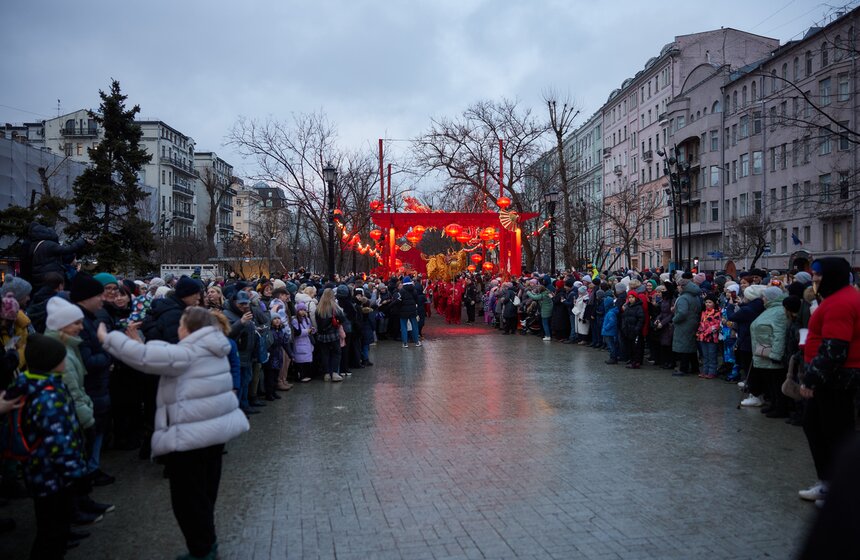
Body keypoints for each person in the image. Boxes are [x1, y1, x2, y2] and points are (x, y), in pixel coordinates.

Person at [98, 307, 249, 560]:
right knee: (204, 494)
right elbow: (158, 356)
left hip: (190, 438)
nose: (178, 328)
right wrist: (140, 342)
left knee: (188, 500)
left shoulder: (189, 352)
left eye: (181, 323)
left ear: (189, 328)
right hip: (213, 436)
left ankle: (201, 551)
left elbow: (146, 357)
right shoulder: (215, 348)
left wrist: (107, 338)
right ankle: (207, 545)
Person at [14, 333, 88, 560]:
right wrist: (76, 471)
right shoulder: (48, 398)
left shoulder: (32, 383)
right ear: (51, 362)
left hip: (40, 471)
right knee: (51, 532)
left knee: (51, 525)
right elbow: (59, 441)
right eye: (62, 357)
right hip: (51, 473)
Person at [798, 257, 860, 506]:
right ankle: (828, 482)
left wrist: (811, 380)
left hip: (835, 379)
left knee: (833, 432)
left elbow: (835, 348)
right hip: (833, 377)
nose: (815, 279)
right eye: (813, 274)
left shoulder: (840, 303)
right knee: (817, 427)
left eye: (819, 275)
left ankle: (838, 488)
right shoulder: (839, 299)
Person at [671, 277, 702, 376]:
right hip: (693, 323)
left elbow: (682, 313)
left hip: (684, 324)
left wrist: (674, 319)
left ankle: (683, 368)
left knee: (683, 346)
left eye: (679, 286)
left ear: (683, 287)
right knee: (691, 346)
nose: (677, 288)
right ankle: (694, 367)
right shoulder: (695, 296)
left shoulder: (683, 298)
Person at [314, 288, 346, 381]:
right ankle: (335, 373)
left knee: (325, 354)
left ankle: (327, 374)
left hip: (321, 335)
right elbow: (343, 319)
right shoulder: (334, 308)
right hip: (333, 334)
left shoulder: (318, 308)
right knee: (337, 353)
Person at [696, 295, 722, 379]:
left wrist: (707, 331)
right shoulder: (703, 312)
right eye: (706, 302)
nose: (707, 304)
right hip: (702, 336)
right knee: (705, 355)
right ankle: (705, 371)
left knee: (712, 354)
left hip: (712, 337)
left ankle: (712, 371)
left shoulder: (717, 312)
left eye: (710, 302)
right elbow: (701, 323)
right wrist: (699, 332)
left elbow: (717, 324)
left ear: (714, 303)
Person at [290, 303, 315, 383]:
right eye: (301, 310)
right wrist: (307, 331)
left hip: (307, 342)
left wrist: (312, 330)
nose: (303, 312)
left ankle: (306, 375)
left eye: (304, 310)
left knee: (306, 361)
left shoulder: (307, 319)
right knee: (300, 361)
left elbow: (310, 328)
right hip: (299, 343)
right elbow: (297, 332)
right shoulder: (295, 320)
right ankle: (300, 376)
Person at [620, 291, 645, 369]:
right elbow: (624, 317)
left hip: (634, 330)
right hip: (628, 330)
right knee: (630, 347)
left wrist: (637, 328)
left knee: (635, 348)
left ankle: (636, 362)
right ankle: (632, 360)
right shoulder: (628, 306)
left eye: (632, 297)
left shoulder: (638, 307)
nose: (631, 299)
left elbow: (641, 319)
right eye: (629, 297)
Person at [396, 276, 421, 348]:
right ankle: (416, 342)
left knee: (404, 327)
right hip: (413, 310)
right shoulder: (414, 290)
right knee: (414, 326)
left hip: (403, 311)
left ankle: (405, 343)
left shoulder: (402, 291)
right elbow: (416, 299)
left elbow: (399, 301)